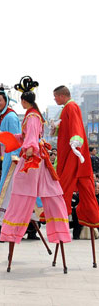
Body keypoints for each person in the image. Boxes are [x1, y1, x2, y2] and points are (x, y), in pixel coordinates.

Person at [0, 77, 71, 271]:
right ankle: (59, 234)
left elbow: (30, 140)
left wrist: (28, 155)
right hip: (41, 160)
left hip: (33, 161)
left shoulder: (31, 117)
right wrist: (4, 137)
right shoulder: (34, 115)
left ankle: (13, 236)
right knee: (52, 196)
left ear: (24, 101)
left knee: (19, 196)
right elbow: (25, 137)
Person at [52, 85, 99, 229]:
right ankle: (86, 216)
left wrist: (76, 139)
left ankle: (60, 216)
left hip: (73, 152)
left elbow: (76, 125)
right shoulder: (67, 108)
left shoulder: (71, 107)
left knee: (64, 184)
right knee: (71, 183)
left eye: (55, 96)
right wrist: (57, 127)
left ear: (61, 96)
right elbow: (67, 127)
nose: (54, 99)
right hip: (69, 151)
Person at [0, 84, 22, 225]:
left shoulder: (10, 116)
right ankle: (4, 213)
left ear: (6, 101)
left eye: (0, 100)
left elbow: (16, 137)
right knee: (5, 184)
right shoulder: (1, 116)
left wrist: (15, 156)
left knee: (7, 184)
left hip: (12, 154)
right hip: (7, 154)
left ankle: (3, 213)